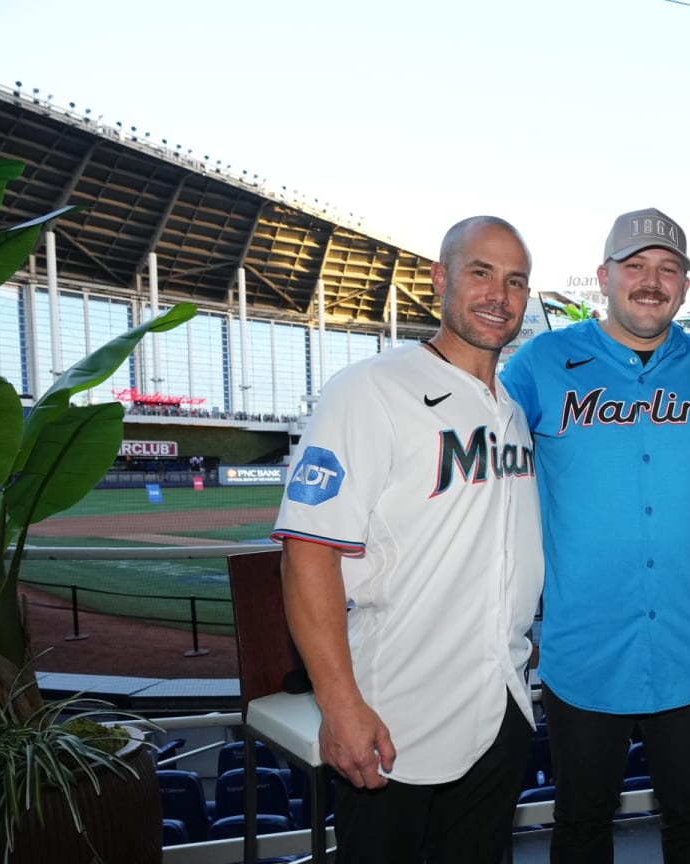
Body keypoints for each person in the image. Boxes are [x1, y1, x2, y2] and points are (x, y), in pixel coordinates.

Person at [272, 216, 543, 863]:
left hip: (499, 701)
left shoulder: (507, 408)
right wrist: (340, 705)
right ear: (440, 278)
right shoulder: (371, 390)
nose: (498, 295)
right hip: (397, 714)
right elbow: (308, 551)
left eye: (515, 281)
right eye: (480, 272)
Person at [500, 207, 690, 862]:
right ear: (604, 276)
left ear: (685, 288)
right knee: (581, 822)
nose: (651, 281)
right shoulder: (539, 364)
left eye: (668, 269)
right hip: (585, 644)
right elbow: (479, 462)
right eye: (635, 266)